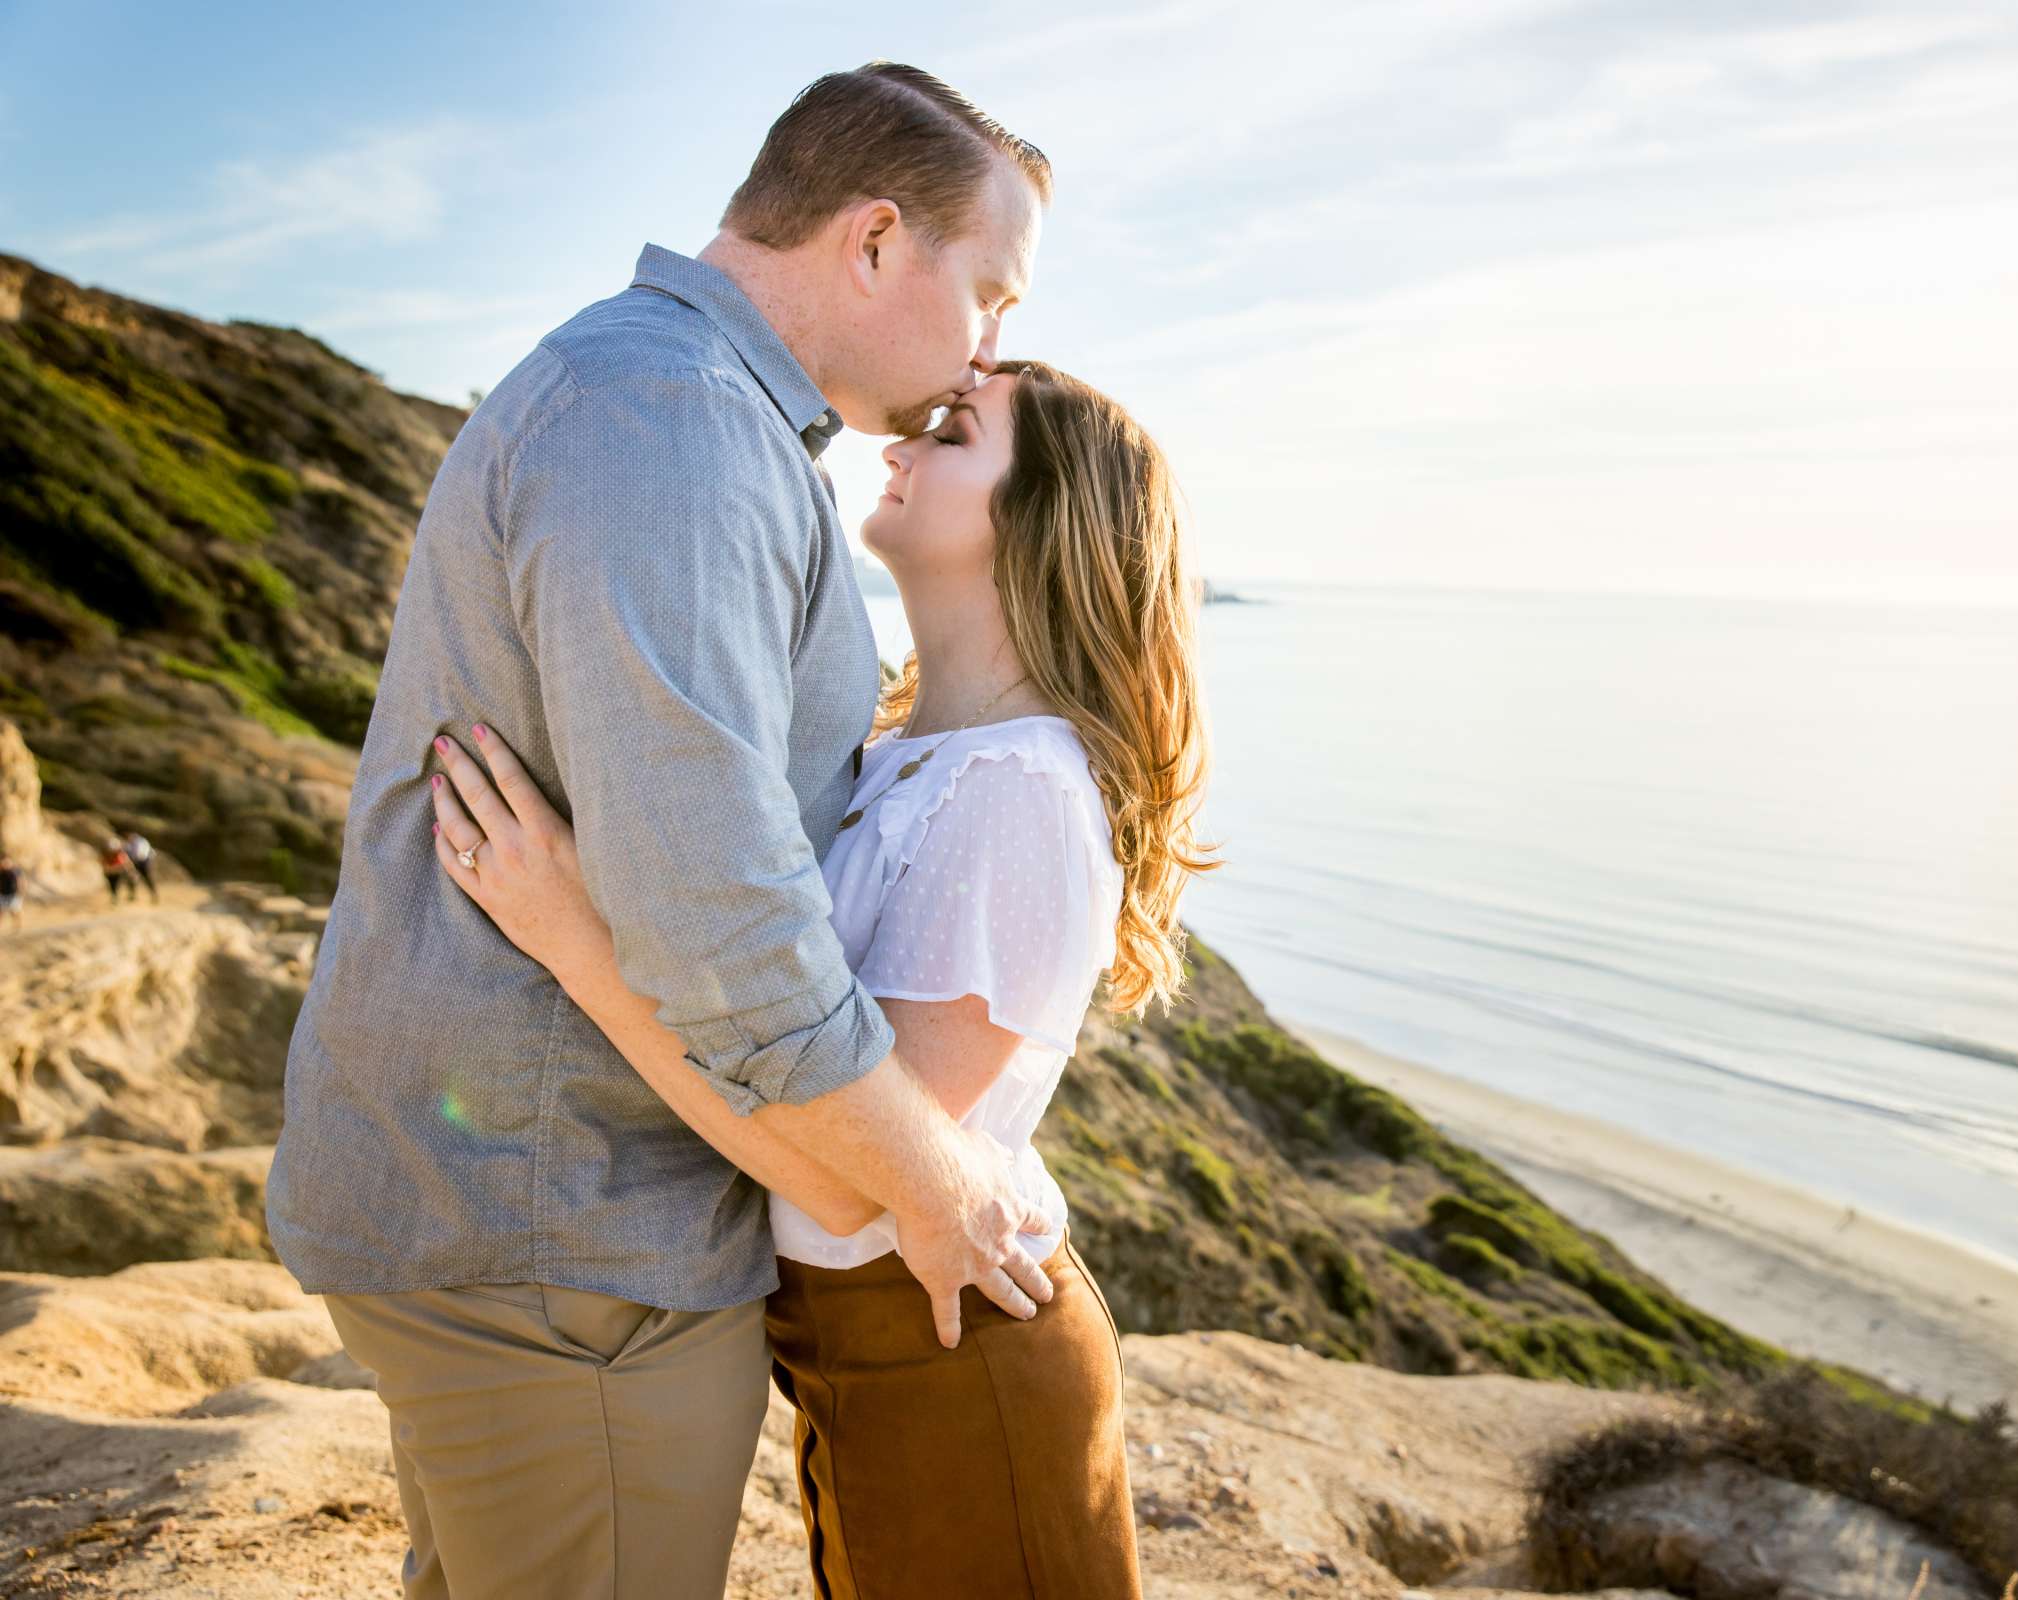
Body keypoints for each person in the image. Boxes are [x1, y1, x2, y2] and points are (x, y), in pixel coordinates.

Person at [265, 63, 1056, 1600]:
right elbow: (717, 908)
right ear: (878, 240)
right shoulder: (673, 421)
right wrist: (932, 1184)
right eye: (991, 291)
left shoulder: (689, 410)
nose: (990, 346)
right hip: (564, 1249)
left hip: (531, 1224)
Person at [431, 360, 1210, 1598]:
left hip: (958, 1355)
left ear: (1044, 516)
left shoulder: (1015, 787)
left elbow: (862, 1180)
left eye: (953, 434)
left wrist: (569, 929)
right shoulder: (908, 752)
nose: (899, 444)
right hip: (862, 1346)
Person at [121, 827, 160, 902]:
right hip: (134, 862)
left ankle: (154, 894)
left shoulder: (141, 841)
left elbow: (141, 853)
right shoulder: (129, 843)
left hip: (143, 862)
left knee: (148, 878)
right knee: (131, 878)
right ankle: (132, 895)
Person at [101, 836, 133, 904]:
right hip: (111, 872)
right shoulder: (105, 855)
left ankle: (131, 893)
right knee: (112, 885)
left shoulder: (120, 855)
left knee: (128, 880)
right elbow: (104, 866)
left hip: (118, 872)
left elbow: (125, 864)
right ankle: (114, 897)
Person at [0, 853, 24, 930]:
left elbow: (20, 881)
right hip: (3, 893)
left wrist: (20, 891)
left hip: (13, 894)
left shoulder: (15, 870)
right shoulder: (1, 871)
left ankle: (18, 926)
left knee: (15, 911)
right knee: (1, 911)